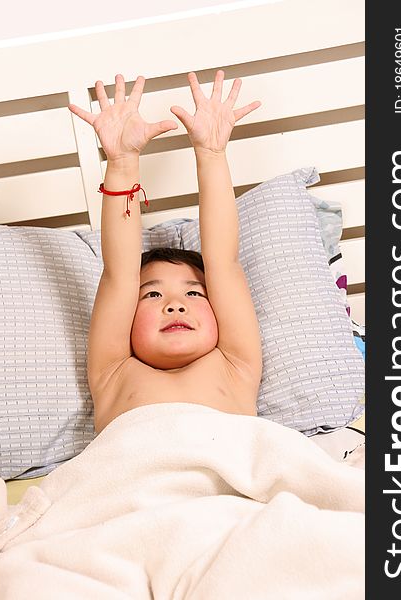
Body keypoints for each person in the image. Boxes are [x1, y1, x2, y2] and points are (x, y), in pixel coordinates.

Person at [68, 70, 263, 434]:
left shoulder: (236, 365)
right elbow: (119, 272)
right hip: (133, 487)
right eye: (153, 294)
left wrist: (211, 153)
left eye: (194, 292)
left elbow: (223, 262)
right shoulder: (113, 373)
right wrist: (122, 163)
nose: (175, 305)